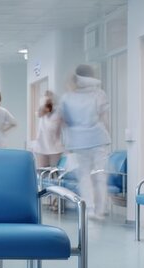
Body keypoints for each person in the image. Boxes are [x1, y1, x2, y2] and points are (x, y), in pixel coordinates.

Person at [60, 64, 111, 219]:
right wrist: (109, 138)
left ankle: (89, 208)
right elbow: (104, 118)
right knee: (100, 176)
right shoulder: (99, 94)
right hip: (98, 139)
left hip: (78, 142)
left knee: (84, 177)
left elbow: (64, 123)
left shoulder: (67, 97)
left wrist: (66, 145)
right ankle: (100, 210)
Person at [33, 91, 64, 168]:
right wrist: (45, 103)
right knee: (41, 173)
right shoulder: (41, 114)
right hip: (40, 148)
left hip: (55, 150)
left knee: (55, 173)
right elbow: (39, 113)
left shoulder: (58, 111)